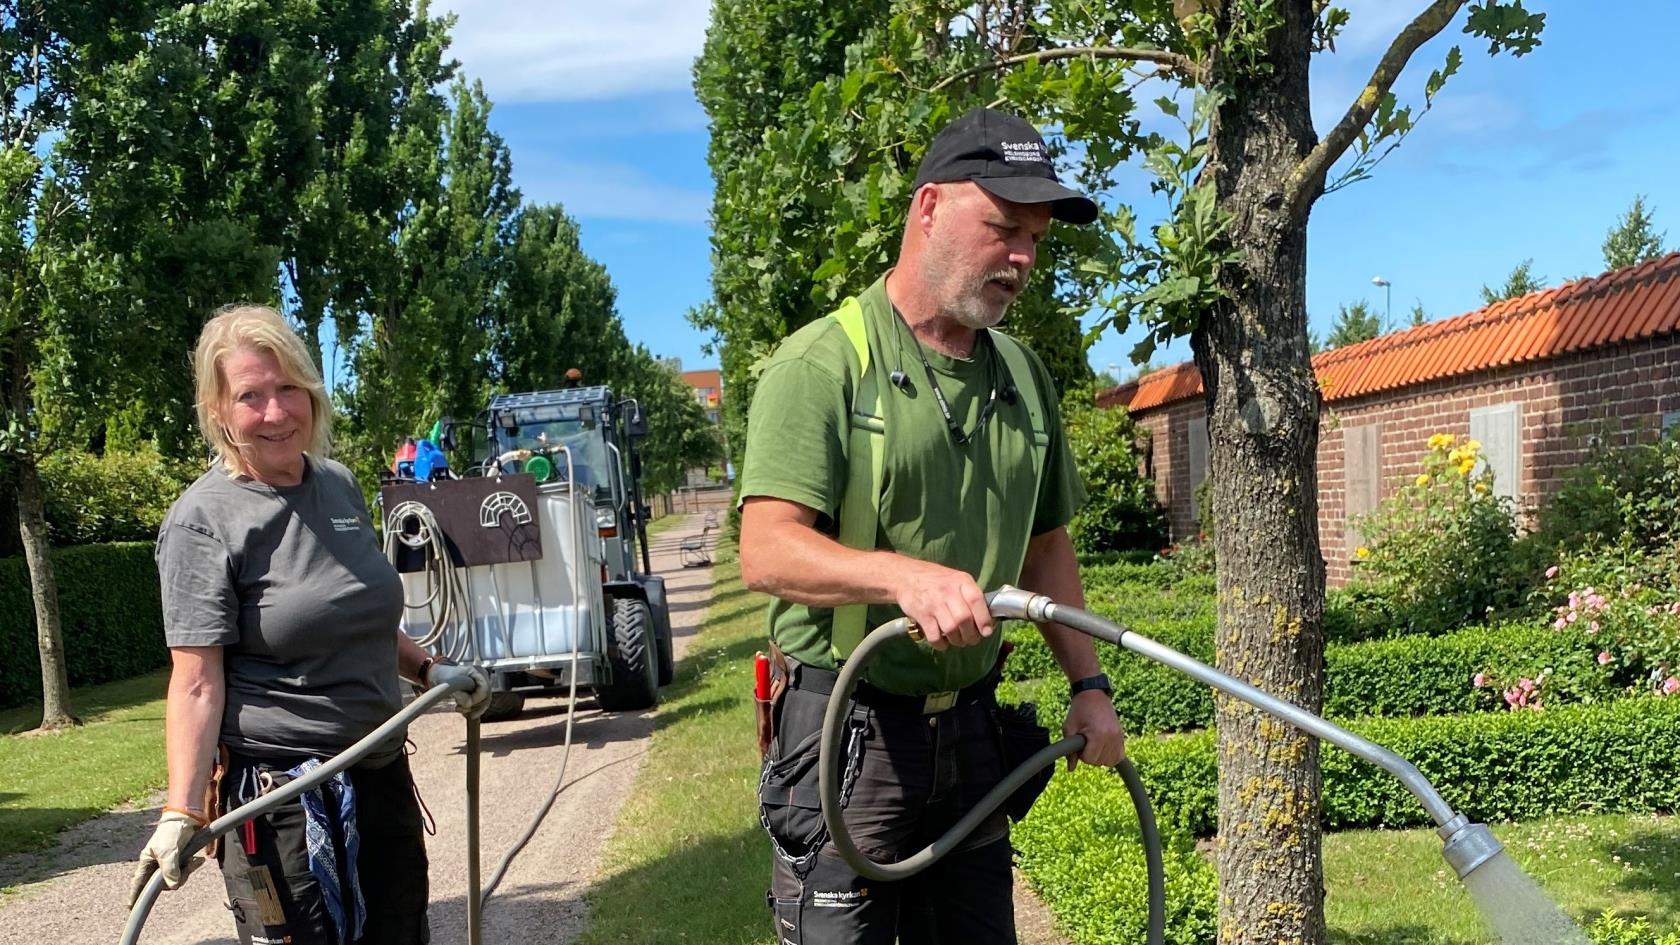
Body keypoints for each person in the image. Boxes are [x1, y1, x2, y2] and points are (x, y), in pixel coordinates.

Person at [738, 107, 1127, 944]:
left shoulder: (1024, 378)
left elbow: (1047, 542)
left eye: (1035, 239)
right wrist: (901, 575)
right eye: (1002, 228)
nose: (1022, 258)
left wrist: (1088, 687)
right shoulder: (824, 365)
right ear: (927, 209)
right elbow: (765, 548)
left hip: (975, 733)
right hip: (850, 737)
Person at [131, 303, 488, 945]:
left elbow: (357, 615)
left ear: (311, 391)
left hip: (380, 777)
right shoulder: (201, 521)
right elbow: (195, 682)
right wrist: (181, 811)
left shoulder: (340, 487)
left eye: (287, 388)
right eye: (250, 396)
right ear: (218, 411)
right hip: (281, 806)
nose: (275, 413)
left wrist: (431, 668)